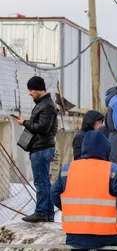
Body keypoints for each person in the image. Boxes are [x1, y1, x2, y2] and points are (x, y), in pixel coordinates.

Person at [51, 130, 117, 250]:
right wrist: (114, 209)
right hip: (108, 235)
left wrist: (71, 208)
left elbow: (54, 194)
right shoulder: (113, 170)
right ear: (106, 150)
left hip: (76, 236)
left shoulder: (68, 169)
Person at [12, 76, 57, 222]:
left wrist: (24, 122)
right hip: (41, 148)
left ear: (38, 89)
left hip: (41, 149)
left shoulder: (47, 105)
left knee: (40, 182)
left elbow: (43, 128)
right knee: (44, 182)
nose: (29, 93)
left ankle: (41, 212)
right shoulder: (43, 104)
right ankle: (48, 214)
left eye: (31, 90)